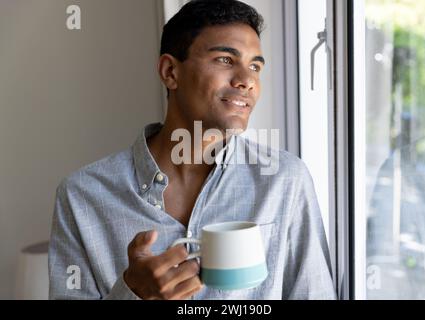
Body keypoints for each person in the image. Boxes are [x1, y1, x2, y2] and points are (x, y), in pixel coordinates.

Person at [49, 0, 335, 300]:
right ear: (170, 72)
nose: (247, 80)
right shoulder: (82, 196)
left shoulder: (284, 181)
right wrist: (132, 294)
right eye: (225, 59)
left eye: (255, 66)